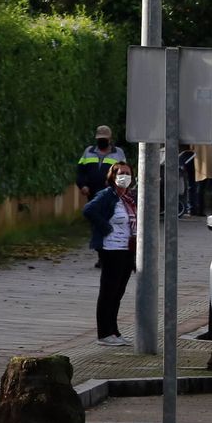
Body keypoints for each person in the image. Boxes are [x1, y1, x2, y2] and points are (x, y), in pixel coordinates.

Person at [83, 162, 138, 346]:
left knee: (118, 293)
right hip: (111, 249)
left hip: (127, 250)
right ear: (113, 176)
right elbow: (89, 210)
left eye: (128, 173)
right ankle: (104, 333)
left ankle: (113, 331)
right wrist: (106, 227)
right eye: (121, 173)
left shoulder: (128, 198)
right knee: (108, 292)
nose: (124, 177)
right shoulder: (107, 195)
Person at [76, 125, 126, 202]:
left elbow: (124, 174)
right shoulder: (88, 151)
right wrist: (82, 186)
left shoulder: (118, 153)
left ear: (110, 139)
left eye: (104, 139)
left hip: (111, 196)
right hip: (92, 196)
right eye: (100, 139)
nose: (102, 141)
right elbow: (80, 172)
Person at [191, 122, 212, 215]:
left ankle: (199, 211)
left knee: (200, 187)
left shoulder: (196, 127)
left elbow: (192, 146)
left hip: (200, 160)